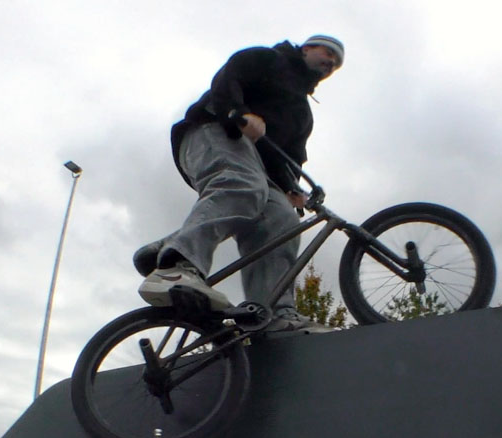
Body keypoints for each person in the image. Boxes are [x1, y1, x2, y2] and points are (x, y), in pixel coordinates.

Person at [134, 35, 345, 335]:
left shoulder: (302, 114)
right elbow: (228, 78)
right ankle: (176, 266)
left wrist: (292, 189)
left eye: (336, 64)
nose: (331, 63)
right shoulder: (269, 60)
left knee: (281, 221)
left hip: (259, 168)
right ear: (307, 48)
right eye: (329, 53)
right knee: (243, 185)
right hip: (214, 131)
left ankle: (273, 316)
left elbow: (288, 161)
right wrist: (238, 113)